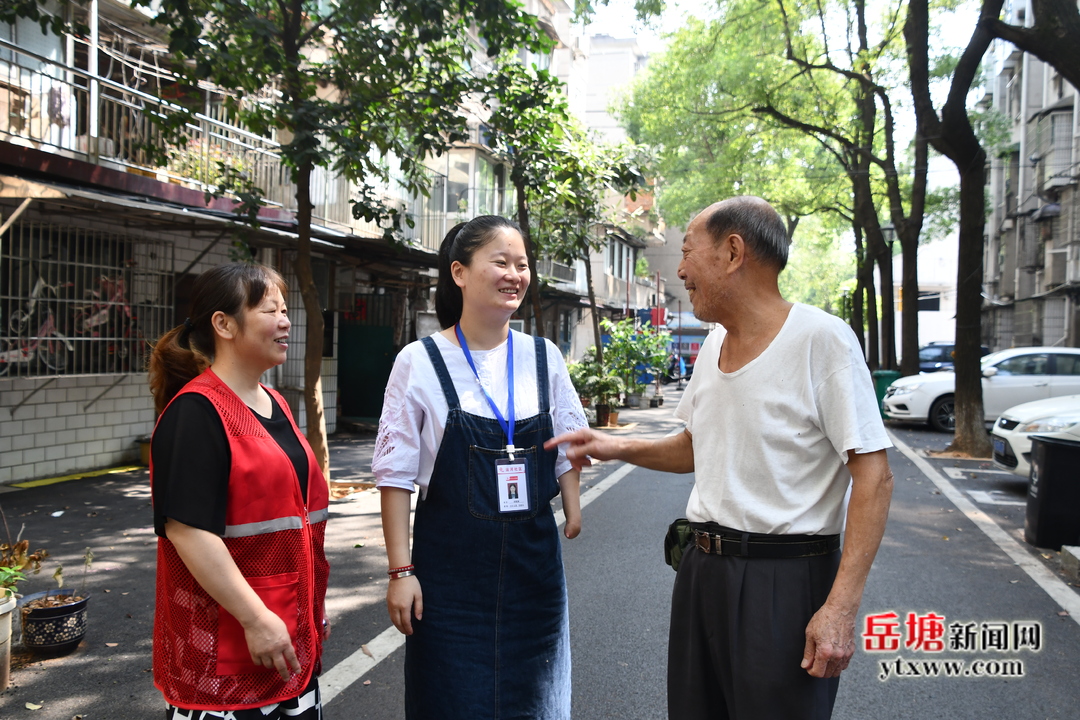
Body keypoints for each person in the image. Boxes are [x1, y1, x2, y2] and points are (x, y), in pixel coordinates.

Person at [547, 196, 893, 720]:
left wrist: (840, 607)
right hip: (701, 571)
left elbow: (874, 478)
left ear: (733, 252)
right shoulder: (712, 345)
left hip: (785, 581)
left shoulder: (822, 340)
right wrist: (610, 445)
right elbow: (695, 447)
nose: (680, 270)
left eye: (687, 252)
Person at [374, 215, 586, 719]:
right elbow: (396, 473)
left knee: (536, 700)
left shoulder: (544, 356)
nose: (515, 274)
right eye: (501, 262)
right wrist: (400, 570)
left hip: (534, 577)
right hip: (448, 580)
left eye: (522, 264)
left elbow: (569, 438)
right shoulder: (419, 360)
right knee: (449, 700)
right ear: (460, 273)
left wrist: (572, 506)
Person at [148, 262, 330, 720]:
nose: (286, 320)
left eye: (286, 309)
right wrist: (255, 617)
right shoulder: (196, 411)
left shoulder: (277, 403)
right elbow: (187, 530)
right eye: (271, 309)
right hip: (230, 652)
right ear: (223, 324)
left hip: (285, 642)